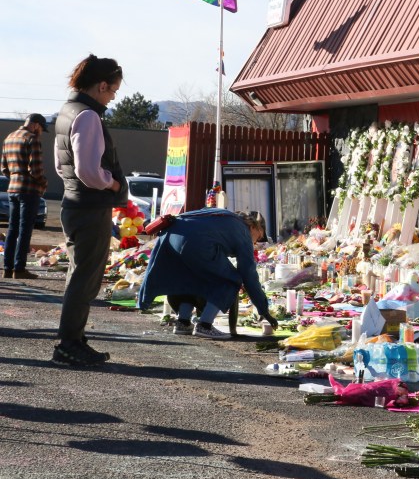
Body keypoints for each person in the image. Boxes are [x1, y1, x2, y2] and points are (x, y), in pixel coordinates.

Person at [52, 55, 129, 367]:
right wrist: (112, 184)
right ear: (101, 85)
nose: (112, 97)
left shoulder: (67, 111)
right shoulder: (87, 116)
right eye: (112, 91)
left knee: (80, 275)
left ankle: (73, 340)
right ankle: (69, 344)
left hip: (74, 203)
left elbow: (63, 166)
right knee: (85, 279)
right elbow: (88, 170)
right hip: (89, 206)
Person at [137, 209, 277, 338]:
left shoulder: (226, 217)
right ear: (254, 226)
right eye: (259, 237)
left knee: (189, 276)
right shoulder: (244, 232)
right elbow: (248, 274)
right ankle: (205, 325)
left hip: (173, 235)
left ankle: (183, 322)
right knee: (230, 280)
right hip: (196, 242)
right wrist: (263, 309)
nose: (256, 242)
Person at [1, 113, 48, 279]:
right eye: (41, 128)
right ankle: (19, 269)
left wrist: (15, 178)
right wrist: (43, 183)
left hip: (12, 189)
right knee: (25, 230)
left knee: (12, 229)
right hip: (29, 190)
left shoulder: (9, 138)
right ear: (35, 125)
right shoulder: (32, 139)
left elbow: (4, 169)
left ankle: (7, 268)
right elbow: (35, 169)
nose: (41, 132)